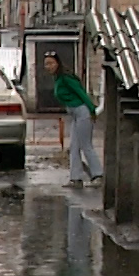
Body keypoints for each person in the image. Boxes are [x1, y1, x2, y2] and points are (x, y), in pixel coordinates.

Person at [44, 53, 102, 187]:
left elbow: (81, 93)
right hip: (75, 113)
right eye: (46, 64)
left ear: (58, 63)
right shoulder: (58, 78)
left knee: (86, 145)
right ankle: (75, 178)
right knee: (74, 146)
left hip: (82, 112)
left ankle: (98, 175)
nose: (48, 66)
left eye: (51, 63)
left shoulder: (66, 78)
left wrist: (92, 110)